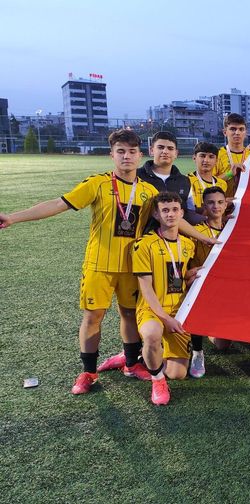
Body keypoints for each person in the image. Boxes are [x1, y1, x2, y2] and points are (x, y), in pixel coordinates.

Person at [0, 129, 159, 393]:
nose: (127, 157)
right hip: (99, 265)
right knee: (93, 316)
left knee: (129, 314)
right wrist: (14, 217)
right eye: (121, 152)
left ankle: (131, 364)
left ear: (140, 155)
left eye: (132, 152)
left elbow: (171, 219)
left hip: (133, 267)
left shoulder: (149, 191)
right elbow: (58, 204)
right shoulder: (97, 184)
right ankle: (88, 372)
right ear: (112, 155)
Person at [133, 191, 199, 405]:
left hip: (179, 311)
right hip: (153, 309)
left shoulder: (189, 245)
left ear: (181, 213)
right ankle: (157, 379)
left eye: (174, 210)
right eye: (165, 210)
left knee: (178, 374)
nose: (170, 214)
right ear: (156, 214)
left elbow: (179, 276)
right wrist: (165, 318)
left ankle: (149, 355)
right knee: (152, 334)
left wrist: (192, 275)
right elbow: (146, 289)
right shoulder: (143, 245)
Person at [186, 186, 230, 378]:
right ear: (204, 205)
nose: (216, 206)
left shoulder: (233, 228)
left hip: (223, 290)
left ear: (226, 204)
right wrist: (188, 274)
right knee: (195, 304)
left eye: (220, 202)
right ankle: (197, 351)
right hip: (199, 289)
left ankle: (208, 328)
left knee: (222, 345)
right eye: (211, 202)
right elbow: (182, 262)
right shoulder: (196, 232)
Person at [137, 131, 201, 224]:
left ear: (176, 153)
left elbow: (189, 214)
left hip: (176, 236)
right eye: (160, 147)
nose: (165, 151)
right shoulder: (137, 176)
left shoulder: (184, 181)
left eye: (170, 148)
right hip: (144, 236)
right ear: (151, 150)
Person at [215, 113, 250, 198]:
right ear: (225, 132)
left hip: (247, 205)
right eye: (233, 129)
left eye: (241, 129)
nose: (237, 133)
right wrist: (229, 174)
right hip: (223, 208)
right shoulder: (217, 155)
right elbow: (209, 183)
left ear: (245, 132)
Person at [187, 141, 228, 213]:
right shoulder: (186, 181)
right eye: (202, 156)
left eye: (211, 157)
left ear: (216, 161)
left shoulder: (222, 184)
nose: (206, 160)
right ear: (194, 158)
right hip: (194, 224)